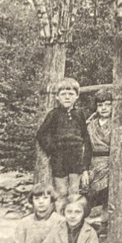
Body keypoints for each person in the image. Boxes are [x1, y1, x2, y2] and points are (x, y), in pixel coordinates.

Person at [35, 77, 92, 208]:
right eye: (63, 94)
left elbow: (85, 138)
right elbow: (41, 134)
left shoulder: (79, 114)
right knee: (61, 192)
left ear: (77, 96)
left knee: (74, 192)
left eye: (71, 94)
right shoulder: (54, 114)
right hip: (59, 158)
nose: (67, 97)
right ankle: (60, 220)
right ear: (57, 97)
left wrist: (85, 167)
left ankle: (72, 220)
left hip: (76, 157)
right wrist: (52, 149)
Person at [85, 91, 113, 206]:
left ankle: (105, 220)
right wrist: (84, 170)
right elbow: (86, 150)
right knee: (90, 195)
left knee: (109, 194)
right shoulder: (90, 126)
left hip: (111, 163)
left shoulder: (118, 123)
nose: (104, 108)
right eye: (100, 105)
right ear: (96, 107)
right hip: (94, 164)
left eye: (107, 104)